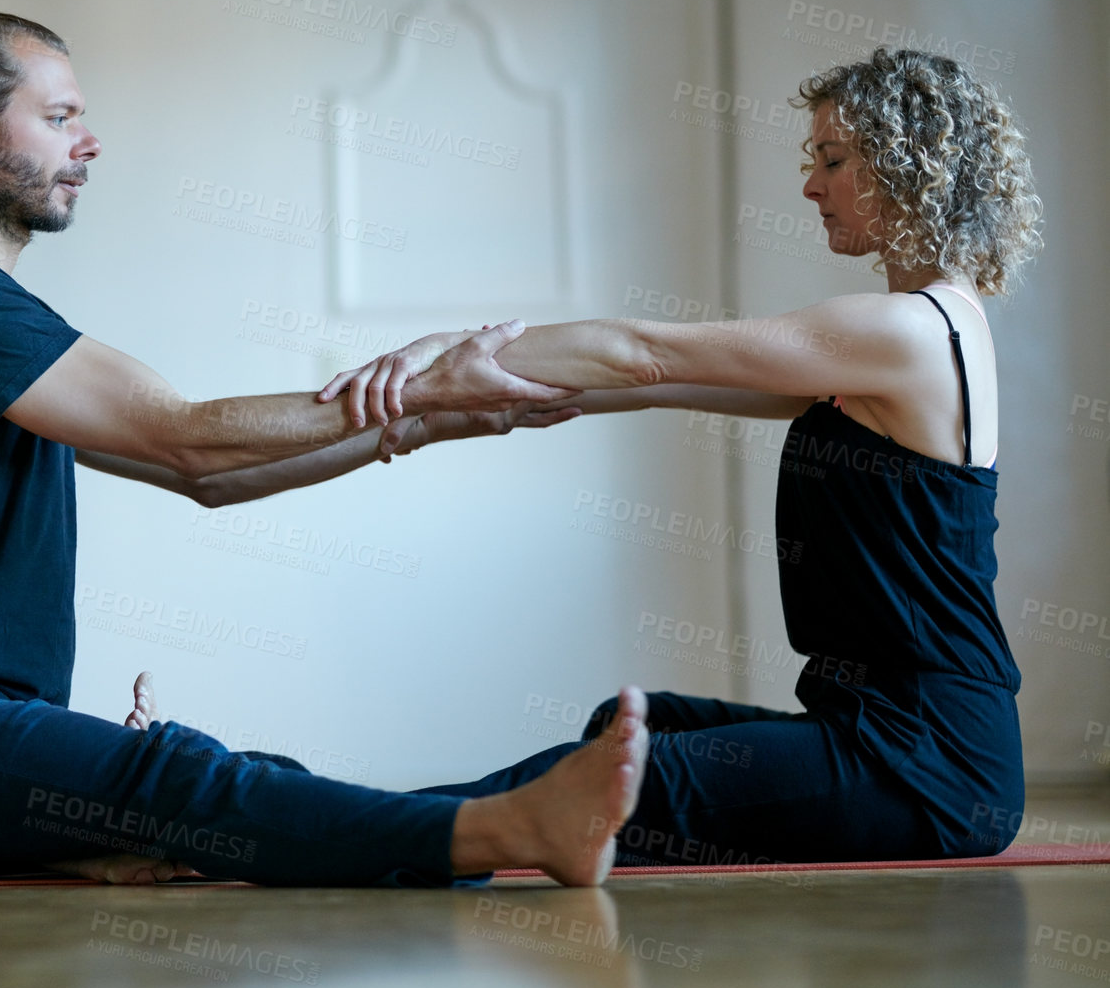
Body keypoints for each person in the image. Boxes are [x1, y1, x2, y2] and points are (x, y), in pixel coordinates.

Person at [0, 11, 651, 888]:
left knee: (246, 790)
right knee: (183, 780)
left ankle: (514, 819)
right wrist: (428, 385)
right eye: (59, 118)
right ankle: (511, 829)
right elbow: (188, 436)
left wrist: (424, 423)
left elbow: (208, 481)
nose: (88, 143)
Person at [320, 47, 1042, 865]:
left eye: (833, 161)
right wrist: (460, 404)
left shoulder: (906, 332)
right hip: (893, 728)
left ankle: (281, 830)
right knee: (622, 727)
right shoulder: (924, 332)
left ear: (908, 165)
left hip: (925, 761)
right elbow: (654, 383)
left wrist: (448, 349)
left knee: (583, 783)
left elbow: (644, 352)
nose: (811, 186)